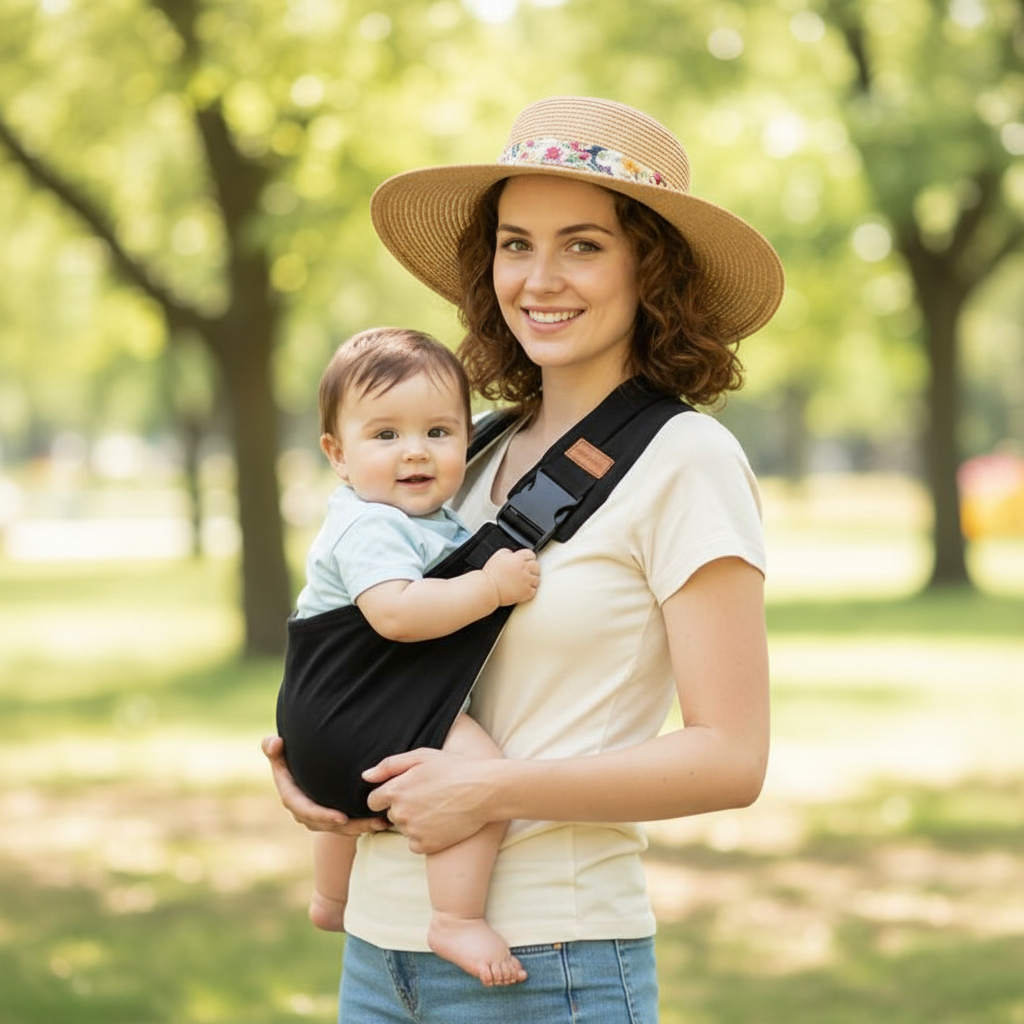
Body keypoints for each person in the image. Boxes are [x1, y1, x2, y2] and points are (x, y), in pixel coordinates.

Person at [264, 95, 784, 1023]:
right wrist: (320, 771)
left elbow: (731, 759)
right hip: (377, 956)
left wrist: (489, 789)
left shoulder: (687, 462)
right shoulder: (462, 453)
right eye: (516, 244)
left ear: (650, 268)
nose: (540, 279)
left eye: (582, 244)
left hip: (551, 964)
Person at [288, 326, 539, 987]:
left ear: (467, 436)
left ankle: (331, 898)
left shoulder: (417, 521)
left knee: (350, 806)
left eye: (438, 431)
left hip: (322, 722)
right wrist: (490, 587)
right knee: (482, 773)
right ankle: (455, 917)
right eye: (385, 434)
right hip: (359, 709)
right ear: (337, 454)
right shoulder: (369, 525)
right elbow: (396, 615)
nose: (415, 451)